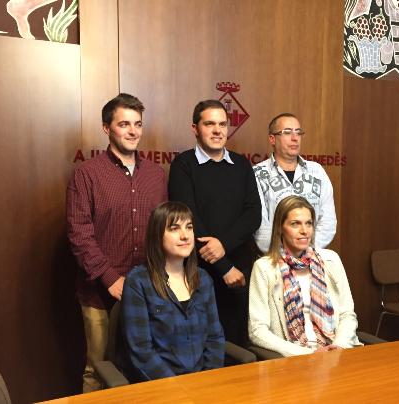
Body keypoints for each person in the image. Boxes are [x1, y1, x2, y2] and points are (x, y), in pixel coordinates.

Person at [66, 93, 167, 392]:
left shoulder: (156, 175)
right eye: (125, 124)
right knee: (98, 369)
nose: (133, 131)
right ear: (106, 128)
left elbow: (162, 231)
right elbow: (79, 232)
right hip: (99, 291)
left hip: (147, 288)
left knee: (143, 365)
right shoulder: (87, 174)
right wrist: (110, 279)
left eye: (137, 124)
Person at [168, 100, 261, 347]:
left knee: (239, 345)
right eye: (209, 124)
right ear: (195, 128)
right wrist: (223, 266)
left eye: (222, 124)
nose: (218, 130)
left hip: (241, 272)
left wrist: (224, 248)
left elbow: (254, 214)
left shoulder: (241, 164)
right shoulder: (183, 164)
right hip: (201, 273)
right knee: (203, 347)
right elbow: (188, 220)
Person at [121, 201, 225, 382]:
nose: (185, 236)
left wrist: (208, 381)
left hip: (204, 385)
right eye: (174, 228)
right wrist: (176, 388)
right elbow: (141, 350)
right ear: (157, 235)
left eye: (189, 227)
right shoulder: (138, 281)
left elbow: (215, 338)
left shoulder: (203, 279)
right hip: (161, 386)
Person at [249, 195, 360, 357]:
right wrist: (308, 354)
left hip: (337, 353)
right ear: (280, 228)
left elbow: (347, 314)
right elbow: (257, 330)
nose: (304, 230)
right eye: (295, 224)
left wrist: (339, 346)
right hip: (296, 357)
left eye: (308, 223)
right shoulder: (264, 268)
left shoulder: (331, 260)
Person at [253, 113, 336, 252]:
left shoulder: (317, 171)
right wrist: (283, 255)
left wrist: (307, 251)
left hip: (312, 258)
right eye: (287, 132)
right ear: (272, 139)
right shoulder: (257, 174)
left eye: (298, 132)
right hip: (274, 261)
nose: (295, 138)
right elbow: (260, 227)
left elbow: (328, 221)